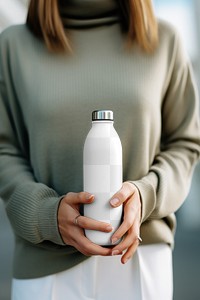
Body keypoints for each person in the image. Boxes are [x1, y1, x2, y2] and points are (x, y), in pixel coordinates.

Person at [0, 0, 199, 299]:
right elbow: (5, 148)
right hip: (45, 265)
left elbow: (185, 142)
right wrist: (46, 214)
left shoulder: (164, 40)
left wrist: (146, 195)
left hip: (140, 260)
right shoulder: (14, 45)